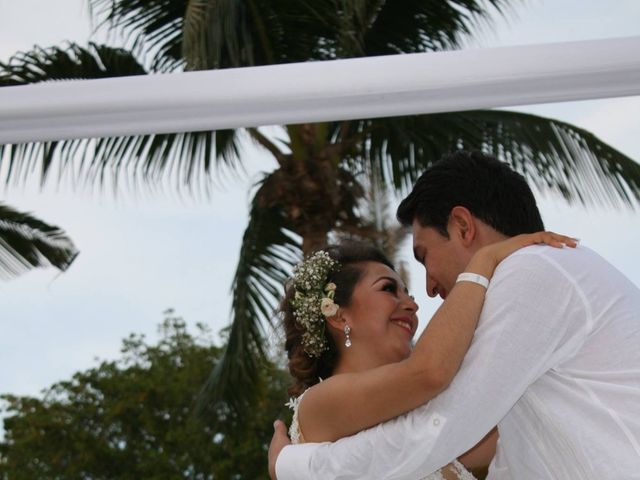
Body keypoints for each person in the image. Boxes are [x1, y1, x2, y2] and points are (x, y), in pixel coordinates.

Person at [269, 151, 640, 479]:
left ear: (462, 226)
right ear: (337, 314)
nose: (425, 292)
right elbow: (510, 457)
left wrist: (295, 466)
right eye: (389, 288)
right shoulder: (527, 302)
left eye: (424, 256)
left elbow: (443, 420)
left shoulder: (531, 271)